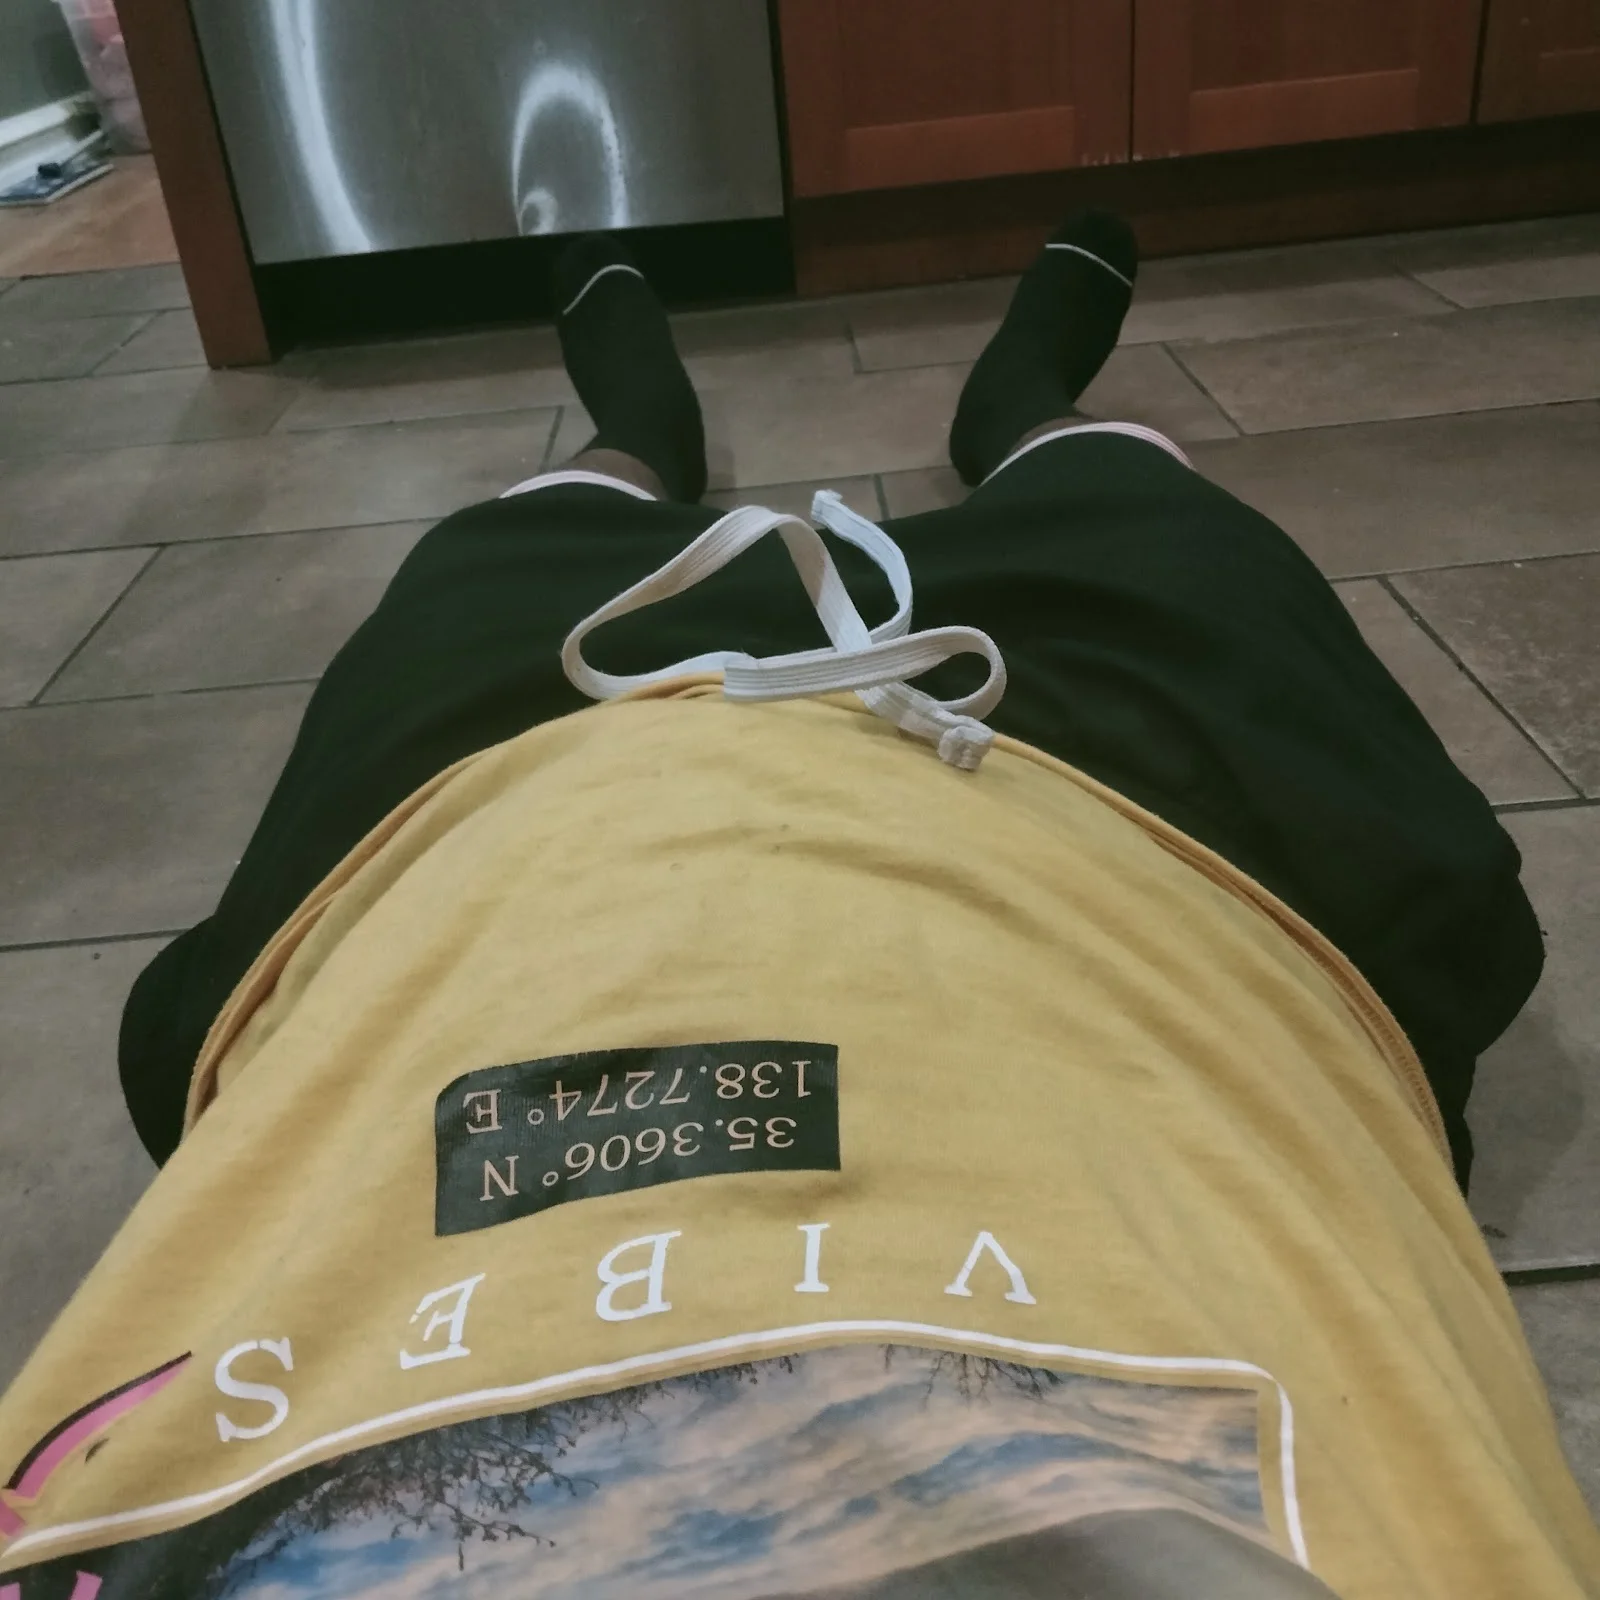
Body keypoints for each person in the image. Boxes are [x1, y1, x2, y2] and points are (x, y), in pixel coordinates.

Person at [0, 215, 1593, 1599]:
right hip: (1125, 798)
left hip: (495, 791)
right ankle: (1027, 406)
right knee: (1129, 511)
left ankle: (633, 432)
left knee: (515, 540)